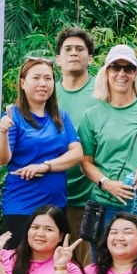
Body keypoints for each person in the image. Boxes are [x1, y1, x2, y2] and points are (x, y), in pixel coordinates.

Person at [78, 44, 137, 249]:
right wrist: (106, 183)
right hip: (105, 204)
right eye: (115, 67)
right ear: (106, 72)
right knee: (102, 269)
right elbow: (86, 163)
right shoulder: (92, 115)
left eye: (128, 68)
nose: (121, 73)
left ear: (135, 73)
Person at [0, 57, 83, 247]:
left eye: (48, 78)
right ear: (23, 83)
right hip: (21, 204)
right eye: (36, 78)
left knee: (52, 267)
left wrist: (45, 166)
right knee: (18, 265)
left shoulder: (61, 116)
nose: (43, 84)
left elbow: (77, 154)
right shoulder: (13, 116)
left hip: (56, 205)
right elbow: (1, 159)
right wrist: (3, 132)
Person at [54, 29, 97, 249]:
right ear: (58, 59)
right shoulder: (46, 93)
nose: (73, 53)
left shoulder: (103, 92)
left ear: (90, 58)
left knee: (87, 268)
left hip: (91, 197)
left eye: (80, 49)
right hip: (52, 195)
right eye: (68, 49)